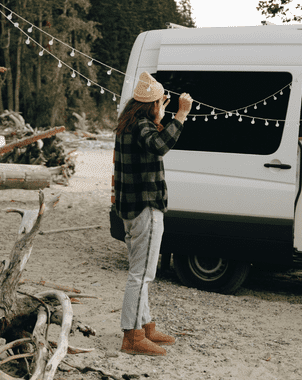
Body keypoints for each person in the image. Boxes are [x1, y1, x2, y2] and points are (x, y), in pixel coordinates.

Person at [113, 71, 193, 356]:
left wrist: (162, 116)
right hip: (145, 208)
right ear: (152, 104)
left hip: (130, 209)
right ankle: (132, 337)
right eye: (161, 102)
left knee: (142, 271)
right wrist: (180, 115)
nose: (164, 105)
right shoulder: (142, 126)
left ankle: (145, 326)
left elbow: (151, 141)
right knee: (142, 274)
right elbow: (160, 145)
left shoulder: (130, 124)